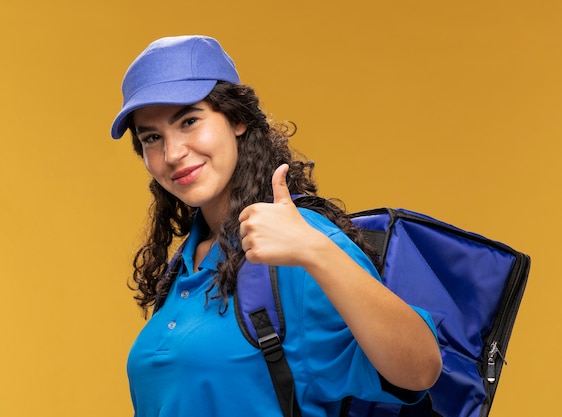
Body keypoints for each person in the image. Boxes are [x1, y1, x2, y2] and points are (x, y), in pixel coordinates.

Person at [110, 35, 442, 417]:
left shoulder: (299, 244)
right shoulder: (184, 266)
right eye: (152, 137)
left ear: (237, 118)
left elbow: (421, 369)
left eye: (189, 121)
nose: (172, 153)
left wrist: (315, 251)